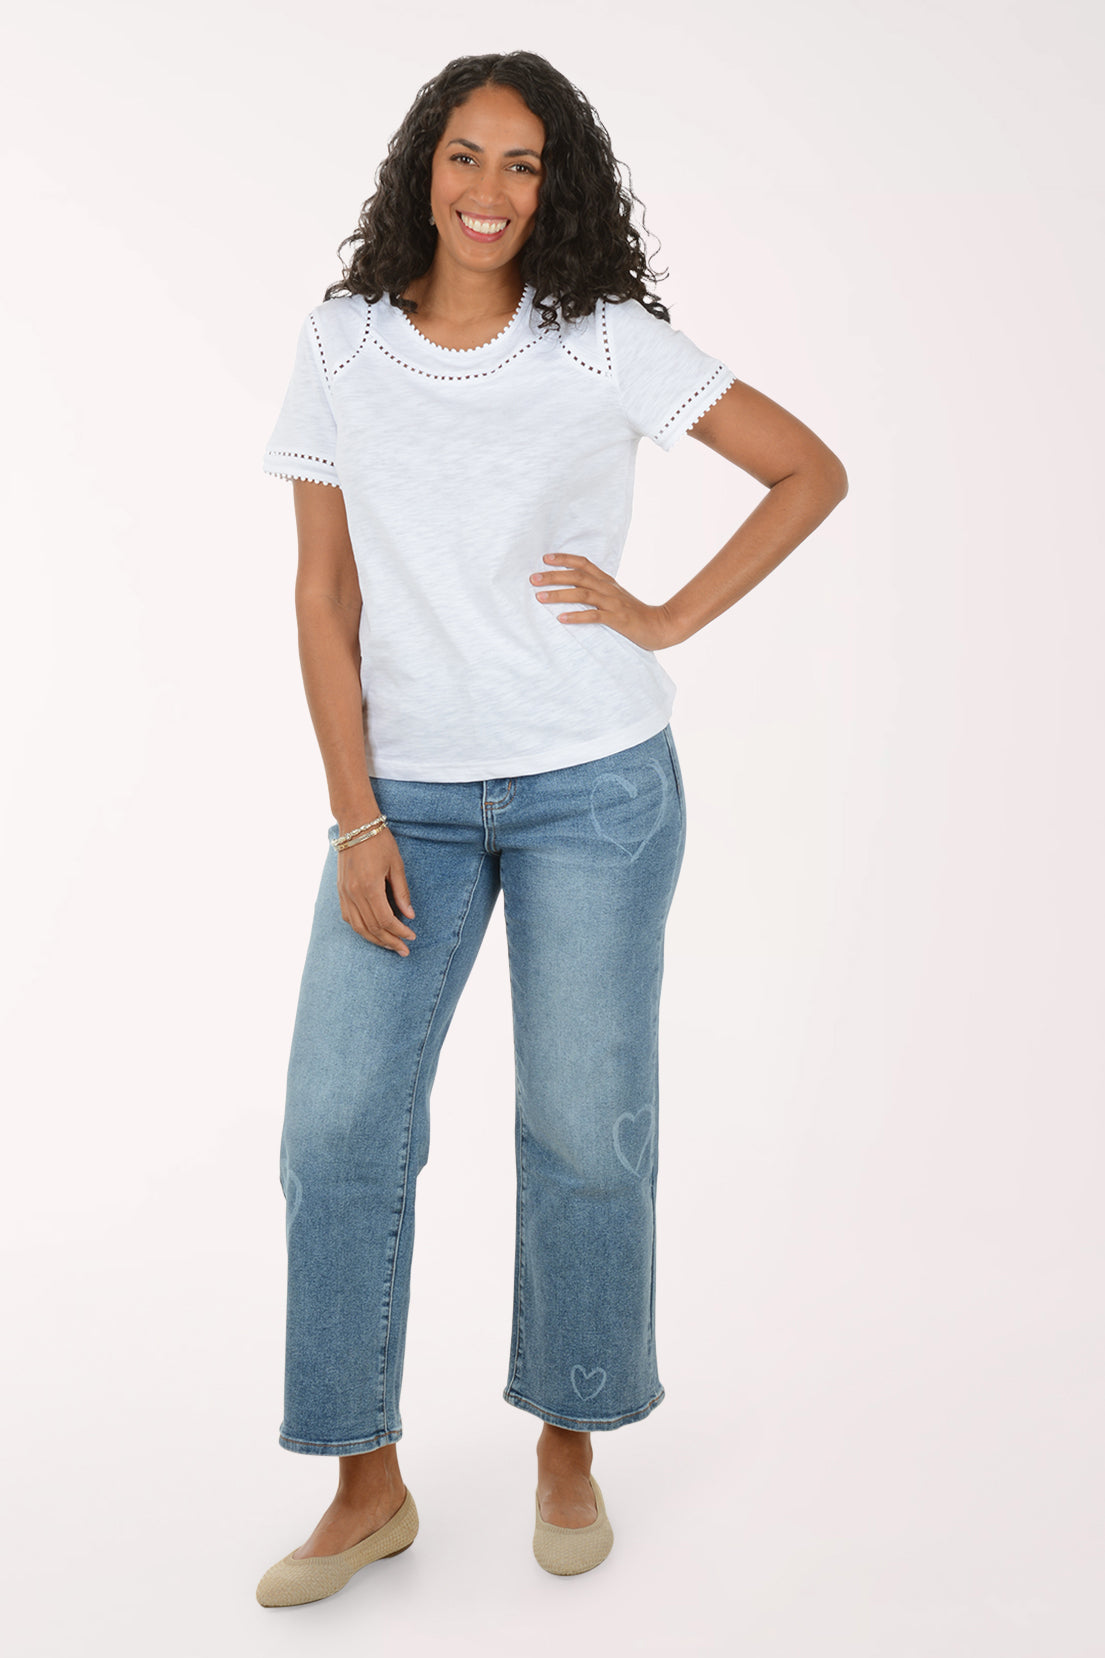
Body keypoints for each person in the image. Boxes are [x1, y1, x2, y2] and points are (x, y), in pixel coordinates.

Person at [254, 50, 848, 1606]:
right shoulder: (343, 342)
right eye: (466, 158)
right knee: (334, 1129)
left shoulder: (605, 343)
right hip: (410, 806)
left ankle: (569, 1433)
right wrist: (353, 815)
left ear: (557, 184)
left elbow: (805, 470)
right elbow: (322, 594)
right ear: (421, 167)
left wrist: (661, 614)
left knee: (585, 1132)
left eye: (523, 166)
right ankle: (363, 1481)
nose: (489, 194)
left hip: (594, 780)